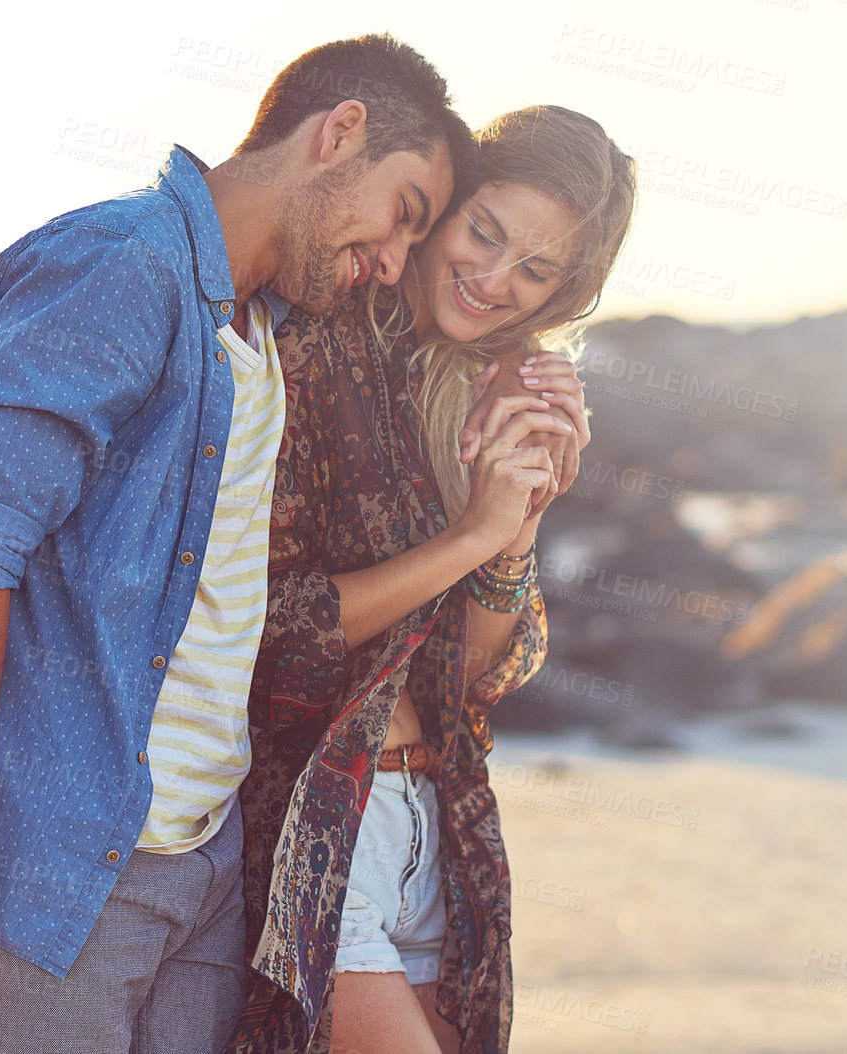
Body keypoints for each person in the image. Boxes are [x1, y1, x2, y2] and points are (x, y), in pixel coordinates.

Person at [0, 35, 480, 1054]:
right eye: (400, 213)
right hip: (64, 871)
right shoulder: (122, 262)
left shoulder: (263, 333)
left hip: (206, 867)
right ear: (339, 131)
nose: (391, 261)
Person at [226, 105, 638, 1054]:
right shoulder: (307, 350)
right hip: (317, 822)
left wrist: (515, 519)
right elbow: (266, 637)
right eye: (482, 233)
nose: (493, 281)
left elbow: (466, 682)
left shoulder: (480, 389)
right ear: (444, 201)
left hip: (440, 826)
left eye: (534, 272)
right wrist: (471, 534)